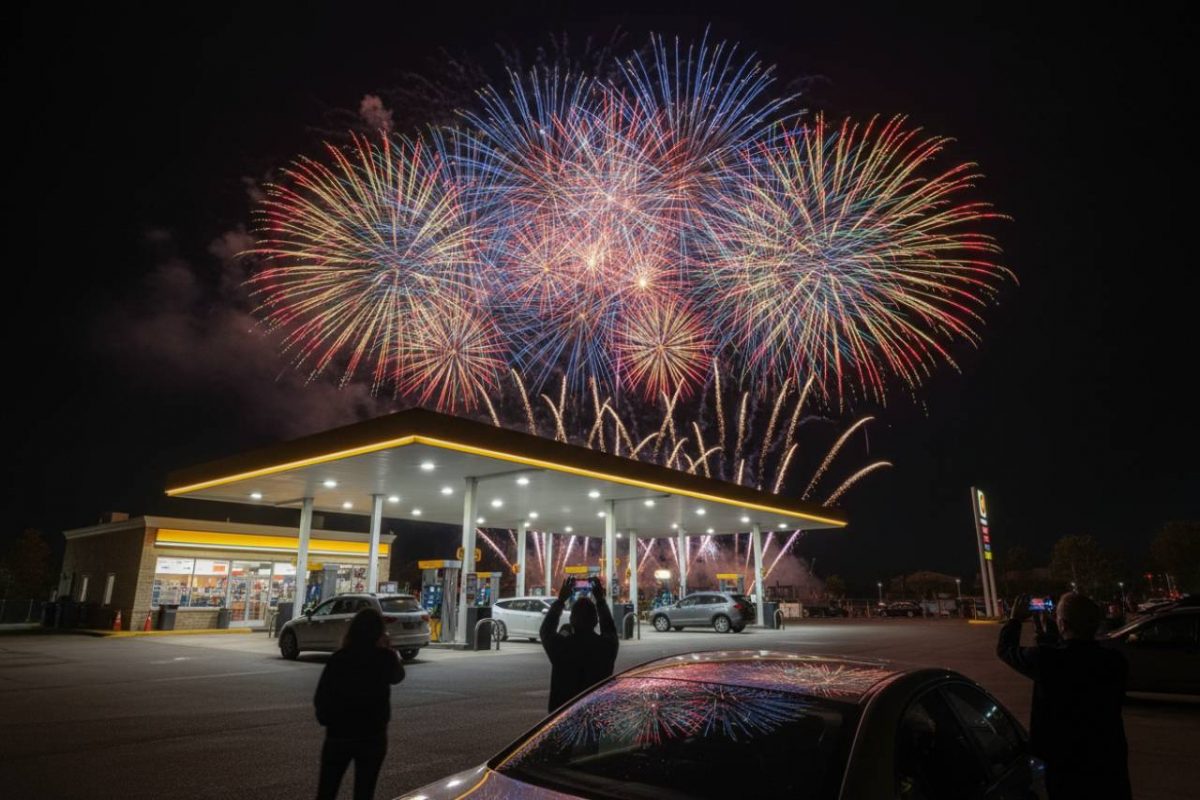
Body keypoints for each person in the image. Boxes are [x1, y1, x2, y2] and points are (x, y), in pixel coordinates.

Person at [997, 592, 1131, 799]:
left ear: (1063, 624)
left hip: (1065, 763)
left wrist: (1015, 620)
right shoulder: (1114, 661)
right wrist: (1048, 637)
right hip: (1108, 758)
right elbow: (1076, 655)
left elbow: (1006, 649)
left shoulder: (1046, 660)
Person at [313, 607, 405, 800]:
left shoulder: (339, 658)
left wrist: (327, 720)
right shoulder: (384, 658)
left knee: (327, 790)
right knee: (364, 791)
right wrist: (390, 650)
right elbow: (398, 676)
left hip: (339, 735)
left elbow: (322, 695)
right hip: (372, 735)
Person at [540, 575, 619, 712]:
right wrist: (600, 600)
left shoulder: (562, 647)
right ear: (595, 621)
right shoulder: (606, 646)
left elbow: (546, 630)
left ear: (571, 620)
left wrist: (561, 600)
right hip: (596, 713)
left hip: (563, 715)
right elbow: (609, 628)